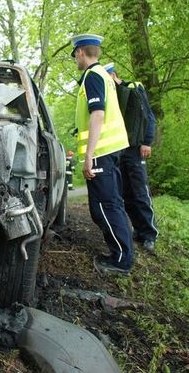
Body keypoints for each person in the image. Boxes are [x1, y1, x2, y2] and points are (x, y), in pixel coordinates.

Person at [71, 34, 134, 274]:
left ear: (80, 53)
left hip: (101, 152)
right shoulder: (105, 77)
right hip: (112, 150)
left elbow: (97, 115)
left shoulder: (92, 77)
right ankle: (122, 254)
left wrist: (88, 155)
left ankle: (121, 260)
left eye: (75, 56)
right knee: (113, 204)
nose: (75, 60)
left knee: (104, 207)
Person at [104, 62, 159, 252]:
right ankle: (138, 229)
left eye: (109, 77)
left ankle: (149, 234)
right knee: (126, 193)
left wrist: (147, 141)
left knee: (140, 193)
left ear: (115, 75)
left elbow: (149, 117)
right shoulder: (111, 98)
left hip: (136, 148)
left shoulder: (134, 89)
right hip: (120, 150)